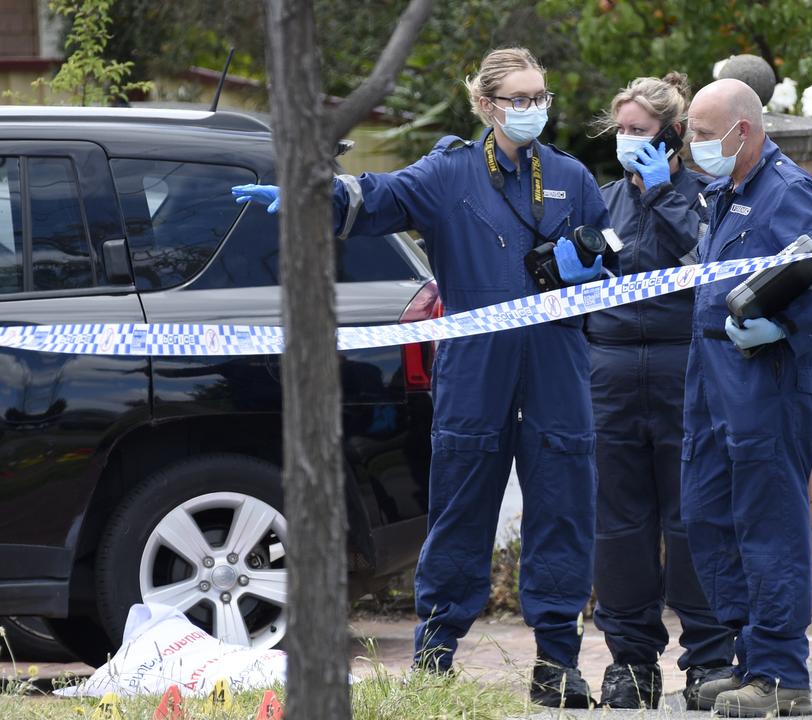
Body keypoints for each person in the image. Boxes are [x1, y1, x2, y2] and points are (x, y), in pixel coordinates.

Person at [234, 47, 610, 709]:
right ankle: (435, 661)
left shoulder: (574, 178)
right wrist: (306, 192)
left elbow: (610, 260)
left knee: (564, 508)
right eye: (518, 99)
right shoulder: (451, 174)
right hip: (476, 367)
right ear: (488, 106)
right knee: (461, 509)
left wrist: (595, 269)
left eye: (539, 97)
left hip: (556, 362)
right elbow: (378, 197)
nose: (532, 109)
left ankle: (558, 663)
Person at [678, 78, 812, 717]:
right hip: (713, 376)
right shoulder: (725, 193)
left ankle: (782, 676)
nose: (690, 146)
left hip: (767, 378)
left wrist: (783, 327)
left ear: (743, 133)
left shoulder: (785, 191)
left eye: (701, 135)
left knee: (766, 523)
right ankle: (749, 659)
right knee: (708, 515)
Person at [585, 73, 735, 711]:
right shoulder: (601, 198)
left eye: (640, 132)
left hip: (684, 369)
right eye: (621, 130)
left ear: (673, 136)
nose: (627, 142)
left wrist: (668, 193)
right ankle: (630, 662)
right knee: (618, 526)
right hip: (609, 372)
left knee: (693, 518)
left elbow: (707, 259)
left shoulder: (705, 196)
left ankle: (707, 659)